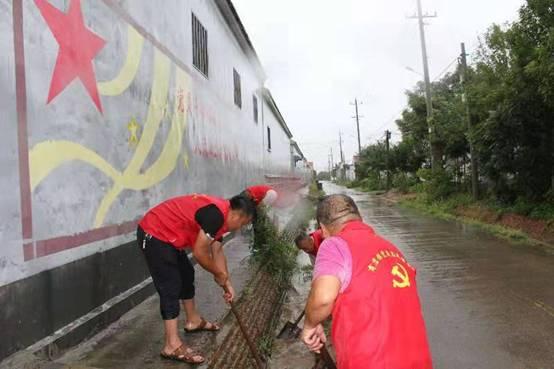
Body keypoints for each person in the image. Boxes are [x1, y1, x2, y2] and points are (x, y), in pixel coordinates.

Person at [301, 194, 433, 369]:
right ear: (359, 218)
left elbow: (323, 298)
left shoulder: (334, 244)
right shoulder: (392, 249)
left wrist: (310, 325)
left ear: (323, 229)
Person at [137, 193, 256, 364]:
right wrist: (218, 273)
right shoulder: (216, 215)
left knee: (186, 273)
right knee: (170, 285)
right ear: (239, 215)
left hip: (170, 237)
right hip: (154, 233)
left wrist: (226, 281)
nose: (239, 228)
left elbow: (217, 251)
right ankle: (171, 345)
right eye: (243, 224)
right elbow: (200, 253)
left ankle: (193, 320)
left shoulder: (222, 220)